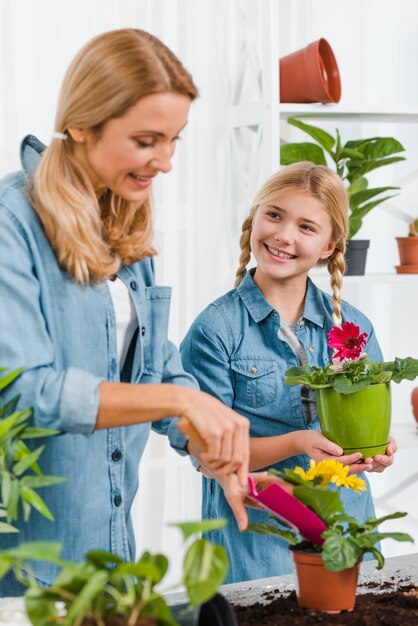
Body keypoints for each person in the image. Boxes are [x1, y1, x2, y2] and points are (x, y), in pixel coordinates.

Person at [0, 28, 254, 595]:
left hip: (111, 558)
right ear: (82, 124)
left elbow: (154, 368)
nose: (164, 161)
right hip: (26, 573)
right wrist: (182, 401)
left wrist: (201, 440)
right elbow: (22, 393)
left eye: (174, 140)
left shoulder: (122, 223)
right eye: (146, 140)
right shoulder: (11, 224)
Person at [180, 162, 397, 583]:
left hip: (344, 532)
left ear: (331, 246)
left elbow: (367, 419)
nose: (283, 235)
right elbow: (206, 454)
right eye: (274, 215)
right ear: (254, 219)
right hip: (256, 545)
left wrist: (377, 448)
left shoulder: (354, 328)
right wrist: (298, 442)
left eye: (307, 227)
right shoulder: (217, 329)